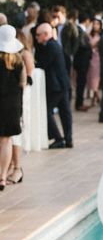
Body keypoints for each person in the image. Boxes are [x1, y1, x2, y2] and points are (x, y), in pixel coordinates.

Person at [35, 22, 74, 147]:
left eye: (38, 35)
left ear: (46, 34)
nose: (36, 37)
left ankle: (59, 138)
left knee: (47, 111)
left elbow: (42, 63)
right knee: (65, 112)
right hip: (62, 83)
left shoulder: (51, 46)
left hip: (56, 85)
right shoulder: (54, 45)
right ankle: (67, 139)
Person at [0, 25, 26, 188]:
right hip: (12, 104)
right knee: (6, 140)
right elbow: (23, 83)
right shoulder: (18, 60)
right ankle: (2, 176)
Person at [9, 28, 34, 184]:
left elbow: (25, 81)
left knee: (13, 135)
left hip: (13, 102)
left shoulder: (19, 59)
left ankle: (17, 168)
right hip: (11, 101)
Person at [86, 17, 103, 107]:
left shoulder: (101, 35)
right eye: (94, 24)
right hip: (91, 57)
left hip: (98, 58)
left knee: (96, 78)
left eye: (97, 24)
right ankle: (96, 97)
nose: (95, 26)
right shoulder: (89, 35)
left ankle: (96, 97)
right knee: (91, 78)